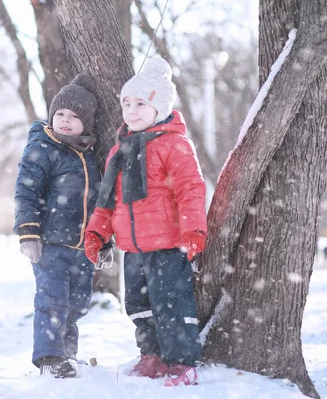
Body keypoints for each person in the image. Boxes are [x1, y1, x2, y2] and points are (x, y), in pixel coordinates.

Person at [84, 57, 207, 387]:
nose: (131, 111)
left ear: (160, 107)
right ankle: (150, 357)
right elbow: (106, 200)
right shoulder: (119, 151)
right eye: (126, 104)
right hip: (131, 247)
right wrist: (97, 231)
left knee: (171, 303)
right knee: (138, 304)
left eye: (141, 103)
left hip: (167, 243)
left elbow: (191, 188)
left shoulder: (174, 144)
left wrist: (194, 229)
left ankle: (182, 363)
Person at [13, 74, 109, 378]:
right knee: (52, 300)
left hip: (82, 247)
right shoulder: (43, 147)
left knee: (78, 304)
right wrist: (28, 233)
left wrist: (103, 241)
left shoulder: (89, 158)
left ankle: (67, 354)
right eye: (60, 114)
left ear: (87, 124)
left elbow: (98, 204)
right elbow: (26, 190)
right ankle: (49, 359)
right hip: (50, 243)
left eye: (74, 116)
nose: (65, 120)